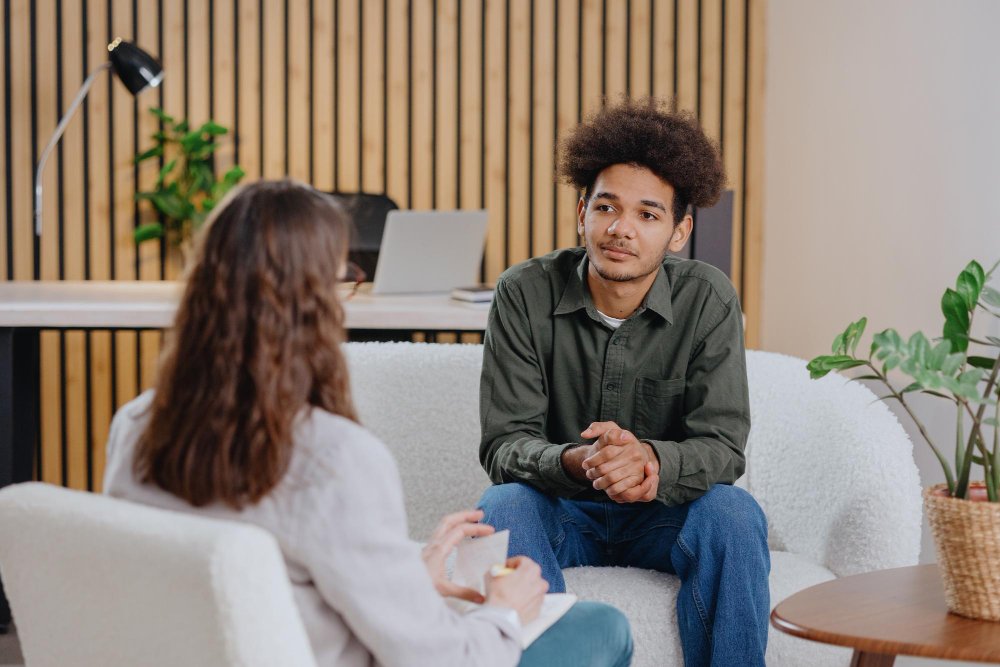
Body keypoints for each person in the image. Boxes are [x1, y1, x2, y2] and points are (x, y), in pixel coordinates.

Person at [102, 180, 632, 667]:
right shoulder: (332, 456)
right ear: (313, 306)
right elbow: (438, 660)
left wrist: (409, 576)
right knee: (599, 626)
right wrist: (505, 611)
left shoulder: (136, 427)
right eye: (343, 280)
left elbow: (280, 583)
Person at [476, 99, 770, 667]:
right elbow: (504, 444)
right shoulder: (524, 292)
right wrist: (576, 461)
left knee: (734, 513)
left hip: (665, 514)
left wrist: (648, 464)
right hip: (562, 509)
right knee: (504, 502)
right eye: (606, 207)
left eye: (648, 215)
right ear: (582, 212)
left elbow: (723, 447)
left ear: (680, 230)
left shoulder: (708, 298)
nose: (621, 229)